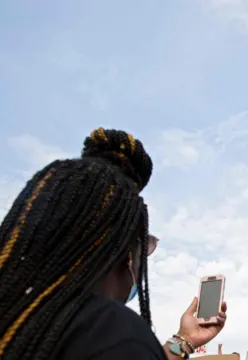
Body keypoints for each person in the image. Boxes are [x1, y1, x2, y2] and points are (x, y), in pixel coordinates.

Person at [0, 128, 227, 360]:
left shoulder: (22, 321)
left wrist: (184, 341)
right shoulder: (111, 333)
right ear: (124, 253)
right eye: (145, 245)